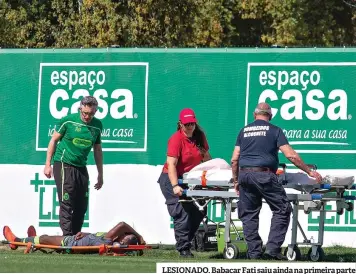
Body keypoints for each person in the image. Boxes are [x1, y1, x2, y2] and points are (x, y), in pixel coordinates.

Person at [230, 102, 323, 260]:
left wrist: (236, 181)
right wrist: (309, 171)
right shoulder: (275, 130)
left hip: (245, 175)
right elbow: (291, 155)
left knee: (249, 215)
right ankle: (272, 249)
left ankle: (254, 253)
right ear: (270, 116)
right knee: (282, 209)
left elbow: (234, 159)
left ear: (254, 115)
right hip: (265, 175)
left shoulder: (243, 131)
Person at [43, 96, 104, 236]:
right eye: (85, 113)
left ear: (96, 111)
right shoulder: (68, 120)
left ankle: (76, 237)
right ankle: (67, 238)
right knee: (67, 202)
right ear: (80, 109)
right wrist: (48, 164)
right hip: (64, 163)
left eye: (91, 113)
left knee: (82, 205)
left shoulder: (97, 126)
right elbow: (53, 140)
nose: (88, 116)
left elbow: (98, 150)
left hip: (81, 167)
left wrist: (100, 174)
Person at [157, 108, 212, 258]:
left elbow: (206, 158)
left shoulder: (199, 136)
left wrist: (212, 175)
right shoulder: (176, 139)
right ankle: (183, 249)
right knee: (182, 212)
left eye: (192, 124)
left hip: (189, 179)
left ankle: (185, 242)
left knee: (200, 210)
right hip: (171, 179)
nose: (190, 127)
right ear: (180, 124)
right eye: (187, 124)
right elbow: (172, 165)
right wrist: (175, 186)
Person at [3, 222, 146, 250]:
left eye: (123, 236)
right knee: (45, 238)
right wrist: (86, 233)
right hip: (77, 240)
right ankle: (32, 240)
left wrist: (138, 237)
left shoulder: (109, 241)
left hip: (70, 243)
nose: (121, 235)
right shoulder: (108, 240)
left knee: (45, 239)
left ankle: (16, 241)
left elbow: (122, 224)